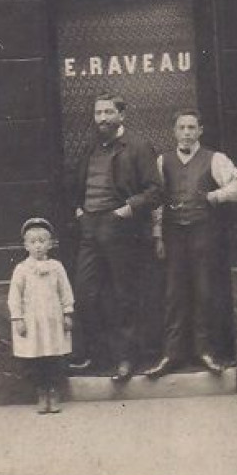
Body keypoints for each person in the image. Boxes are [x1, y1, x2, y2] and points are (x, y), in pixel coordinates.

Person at [146, 108, 237, 379]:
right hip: (173, 235)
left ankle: (206, 352)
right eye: (181, 128)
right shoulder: (162, 161)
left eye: (191, 128)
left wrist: (216, 196)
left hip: (204, 233)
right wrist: (158, 236)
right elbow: (156, 202)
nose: (185, 133)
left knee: (204, 291)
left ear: (200, 131)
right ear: (174, 131)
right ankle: (171, 354)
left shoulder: (215, 159)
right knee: (173, 294)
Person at [70, 93, 163, 382]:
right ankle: (98, 356)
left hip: (121, 230)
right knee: (85, 294)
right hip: (90, 229)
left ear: (121, 115)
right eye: (98, 112)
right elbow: (79, 183)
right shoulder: (90, 147)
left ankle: (126, 359)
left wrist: (127, 210)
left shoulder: (138, 147)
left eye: (108, 112)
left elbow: (156, 191)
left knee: (124, 296)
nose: (102, 118)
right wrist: (79, 211)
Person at [8, 217, 75, 414]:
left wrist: (67, 313)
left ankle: (54, 392)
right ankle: (41, 393)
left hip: (52, 321)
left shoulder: (56, 267)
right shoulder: (22, 269)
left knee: (53, 359)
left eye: (42, 241)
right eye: (33, 242)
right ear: (25, 245)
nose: (38, 246)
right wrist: (18, 318)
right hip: (32, 322)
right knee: (35, 360)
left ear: (51, 244)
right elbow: (14, 296)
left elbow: (66, 291)